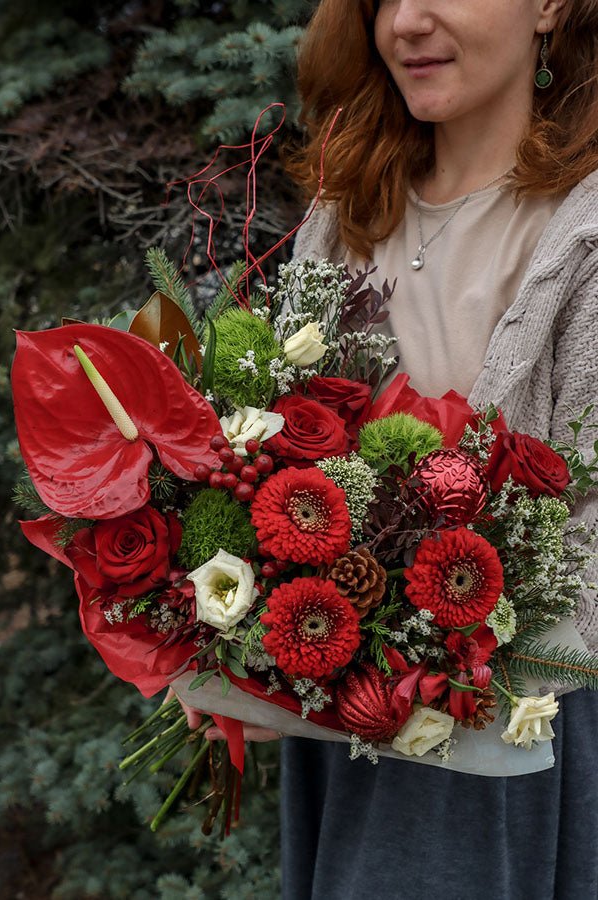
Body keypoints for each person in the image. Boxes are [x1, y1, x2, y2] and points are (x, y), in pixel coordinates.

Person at [180, 1, 598, 896]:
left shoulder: (582, 236)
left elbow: (587, 541)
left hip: (514, 736)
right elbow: (275, 453)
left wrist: (420, 665)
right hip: (348, 726)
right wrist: (237, 637)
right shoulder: (347, 215)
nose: (408, 20)